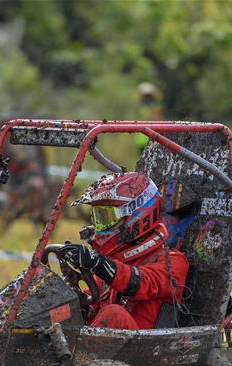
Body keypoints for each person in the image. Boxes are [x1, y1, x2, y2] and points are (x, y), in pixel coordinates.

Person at [62, 172, 189, 330]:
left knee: (114, 314)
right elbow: (92, 298)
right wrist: (75, 297)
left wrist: (99, 263)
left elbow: (139, 283)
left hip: (145, 349)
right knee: (61, 308)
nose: (99, 227)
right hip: (107, 346)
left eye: (106, 218)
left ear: (136, 214)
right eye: (98, 218)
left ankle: (77, 354)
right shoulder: (117, 262)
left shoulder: (173, 262)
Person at [134, 82, 163, 152]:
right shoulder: (140, 109)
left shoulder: (156, 108)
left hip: (153, 139)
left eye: (149, 96)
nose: (147, 99)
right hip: (141, 141)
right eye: (145, 96)